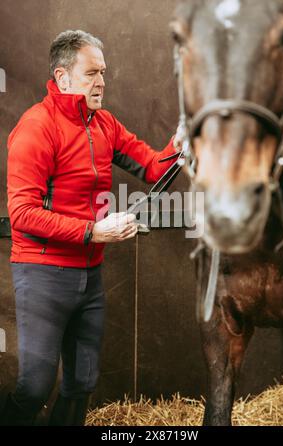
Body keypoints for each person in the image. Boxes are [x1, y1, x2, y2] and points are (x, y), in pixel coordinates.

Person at [2, 30, 177, 426]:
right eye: (91, 73)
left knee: (82, 384)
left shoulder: (105, 124)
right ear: (63, 79)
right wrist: (92, 232)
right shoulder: (36, 127)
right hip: (42, 274)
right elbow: (22, 215)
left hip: (89, 275)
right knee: (34, 386)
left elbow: (152, 167)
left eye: (104, 72)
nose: (102, 81)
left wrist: (179, 145)